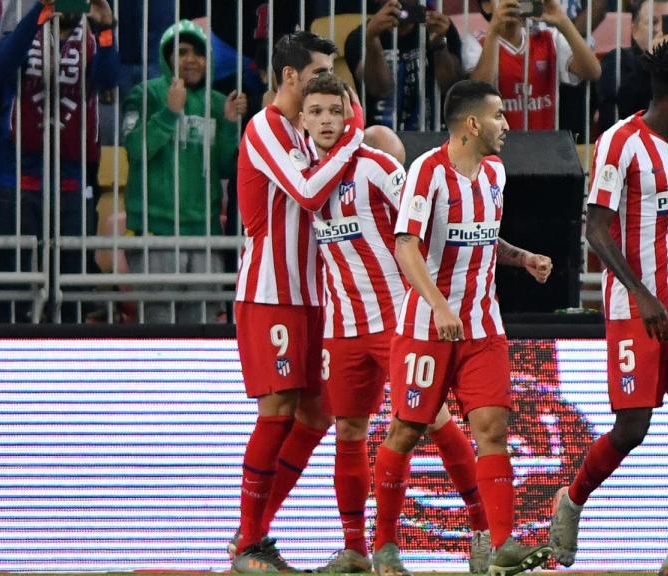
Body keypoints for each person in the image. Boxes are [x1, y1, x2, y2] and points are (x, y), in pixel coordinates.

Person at [253, 73, 492, 574]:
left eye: (333, 112)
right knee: (350, 430)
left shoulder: (380, 168)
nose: (324, 120)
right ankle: (356, 549)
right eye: (314, 111)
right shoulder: (304, 176)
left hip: (397, 321)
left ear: (348, 117)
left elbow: (421, 232)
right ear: (302, 120)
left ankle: (482, 529)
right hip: (341, 329)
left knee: (434, 421)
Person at [548, 44, 668, 576]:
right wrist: (641, 293)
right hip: (635, 306)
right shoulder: (619, 143)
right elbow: (597, 230)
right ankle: (573, 501)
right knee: (633, 427)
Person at [370, 79, 553, 576]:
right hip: (428, 328)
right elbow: (406, 244)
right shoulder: (425, 172)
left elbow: (486, 239)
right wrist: (440, 307)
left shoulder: (494, 173)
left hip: (482, 327)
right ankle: (383, 546)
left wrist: (522, 259)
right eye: (499, 116)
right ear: (472, 124)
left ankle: (502, 545)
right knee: (406, 431)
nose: (507, 126)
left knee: (493, 429)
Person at [229, 30, 364, 573]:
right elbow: (309, 193)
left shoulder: (310, 131)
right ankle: (248, 542)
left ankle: (252, 534)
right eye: (316, 75)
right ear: (288, 77)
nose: (326, 85)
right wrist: (355, 133)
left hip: (316, 295)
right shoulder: (266, 127)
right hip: (271, 294)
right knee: (279, 411)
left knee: (318, 413)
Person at [121, 20, 248, 324]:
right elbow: (136, 151)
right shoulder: (146, 94)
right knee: (158, 322)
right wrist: (170, 112)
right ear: (167, 58)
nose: (192, 60)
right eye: (182, 52)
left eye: (200, 53)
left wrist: (231, 127)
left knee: (203, 323)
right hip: (157, 232)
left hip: (205, 234)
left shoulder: (218, 103)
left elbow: (231, 170)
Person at [0, 0, 118, 323]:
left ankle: (72, 350)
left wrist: (106, 29)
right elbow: (4, 64)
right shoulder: (25, 31)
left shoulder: (91, 39)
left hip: (72, 176)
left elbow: (108, 81)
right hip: (16, 174)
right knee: (15, 278)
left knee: (72, 279)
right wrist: (40, 12)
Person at [462, 0, 600, 130]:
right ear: (487, 5)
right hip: (496, 149)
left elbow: (593, 72)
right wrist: (493, 31)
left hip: (545, 145)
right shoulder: (475, 43)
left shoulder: (550, 38)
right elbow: (479, 94)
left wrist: (563, 22)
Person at [344, 0, 463, 130]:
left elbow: (451, 86)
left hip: (434, 135)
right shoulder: (360, 37)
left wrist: (439, 44)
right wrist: (372, 39)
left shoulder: (440, 28)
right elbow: (380, 90)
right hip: (380, 138)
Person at [595, 0, 668, 134]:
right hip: (629, 144)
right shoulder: (617, 59)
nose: (661, 30)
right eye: (653, 22)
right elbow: (621, 107)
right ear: (634, 30)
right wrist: (651, 60)